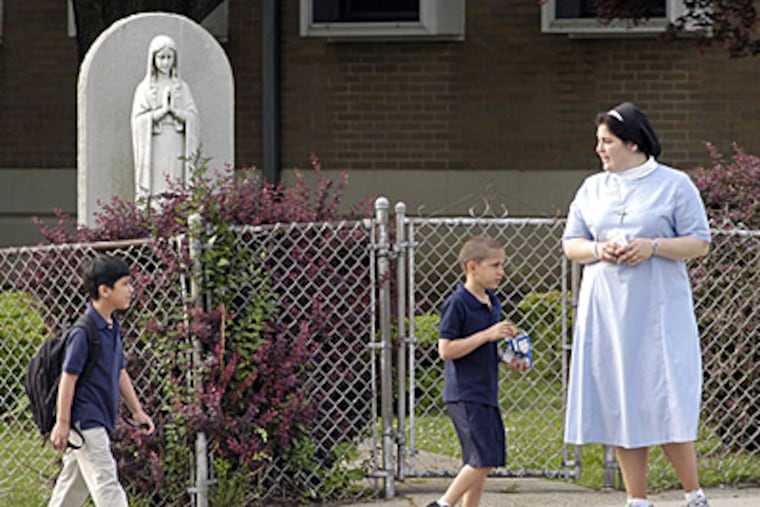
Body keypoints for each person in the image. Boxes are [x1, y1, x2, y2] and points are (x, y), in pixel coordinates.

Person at [562, 102, 712, 507]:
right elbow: (571, 243)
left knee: (665, 397)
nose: (600, 149)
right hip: (608, 313)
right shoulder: (592, 188)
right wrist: (598, 248)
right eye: (598, 141)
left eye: (606, 141)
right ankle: (637, 499)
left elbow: (699, 242)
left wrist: (654, 247)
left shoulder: (675, 184)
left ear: (632, 142)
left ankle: (693, 494)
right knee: (621, 400)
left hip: (658, 311)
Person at [427, 235, 529, 507]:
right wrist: (487, 334)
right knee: (484, 458)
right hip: (465, 392)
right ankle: (443, 504)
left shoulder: (491, 300)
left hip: (486, 391)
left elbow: (488, 347)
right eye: (495, 265)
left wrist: (507, 359)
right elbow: (446, 350)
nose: (501, 272)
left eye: (502, 265)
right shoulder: (457, 303)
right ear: (472, 267)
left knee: (480, 460)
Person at [48, 255, 155, 507]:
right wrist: (62, 423)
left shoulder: (111, 326)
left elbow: (119, 371)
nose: (131, 290)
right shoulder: (84, 332)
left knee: (71, 488)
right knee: (107, 484)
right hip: (86, 420)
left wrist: (137, 411)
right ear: (104, 290)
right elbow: (68, 378)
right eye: (125, 284)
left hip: (99, 418)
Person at [132, 34, 199, 202]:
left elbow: (193, 117)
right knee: (158, 183)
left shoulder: (182, 88)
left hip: (176, 140)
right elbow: (138, 120)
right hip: (155, 143)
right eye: (161, 57)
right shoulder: (144, 88)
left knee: (175, 182)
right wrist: (161, 112)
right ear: (153, 59)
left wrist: (176, 112)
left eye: (169, 57)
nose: (165, 62)